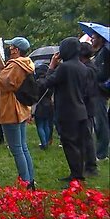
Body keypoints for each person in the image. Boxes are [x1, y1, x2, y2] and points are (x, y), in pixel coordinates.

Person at [38, 37, 91, 183]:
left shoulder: (65, 67)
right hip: (80, 110)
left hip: (67, 111)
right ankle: (77, 173)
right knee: (78, 145)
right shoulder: (82, 67)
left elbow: (47, 83)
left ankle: (76, 177)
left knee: (69, 145)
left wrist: (51, 66)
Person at [0, 36, 35, 188]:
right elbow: (8, 77)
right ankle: (30, 180)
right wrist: (0, 64)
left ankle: (25, 182)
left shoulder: (15, 66)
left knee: (16, 149)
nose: (9, 49)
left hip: (11, 110)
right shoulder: (25, 63)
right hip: (21, 109)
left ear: (17, 50)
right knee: (23, 147)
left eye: (12, 47)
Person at [79, 42, 99, 177]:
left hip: (87, 106)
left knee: (87, 137)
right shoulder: (88, 67)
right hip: (87, 105)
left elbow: (87, 89)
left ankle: (91, 167)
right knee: (85, 136)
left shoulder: (89, 69)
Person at [92, 32, 110, 161]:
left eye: (94, 38)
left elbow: (102, 74)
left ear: (100, 39)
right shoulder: (100, 52)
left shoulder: (104, 53)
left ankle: (102, 153)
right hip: (98, 90)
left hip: (100, 90)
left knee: (101, 122)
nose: (92, 40)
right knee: (100, 121)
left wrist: (92, 73)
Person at [33, 64, 54, 150]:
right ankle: (47, 141)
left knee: (40, 125)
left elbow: (35, 95)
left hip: (40, 105)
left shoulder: (37, 82)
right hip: (49, 104)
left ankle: (43, 143)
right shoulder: (50, 81)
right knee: (46, 124)